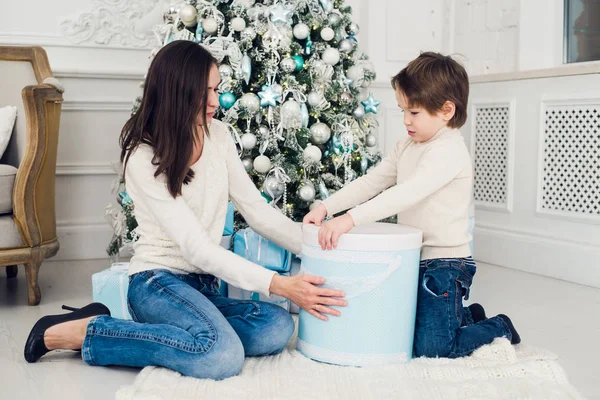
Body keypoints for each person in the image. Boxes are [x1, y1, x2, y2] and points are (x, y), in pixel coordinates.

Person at [24, 40, 347, 379]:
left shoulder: (219, 135)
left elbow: (256, 210)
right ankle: (87, 331)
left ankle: (185, 336)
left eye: (216, 89)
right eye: (203, 91)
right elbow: (196, 247)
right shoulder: (143, 156)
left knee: (277, 326)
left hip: (202, 285)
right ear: (176, 92)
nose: (214, 101)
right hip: (155, 282)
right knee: (220, 356)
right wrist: (280, 284)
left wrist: (316, 244)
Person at [303, 52, 520, 358]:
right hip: (410, 256)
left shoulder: (448, 151)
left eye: (414, 112)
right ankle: (465, 316)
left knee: (432, 347)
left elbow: (405, 193)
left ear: (446, 110)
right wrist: (327, 207)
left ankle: (499, 326)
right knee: (402, 331)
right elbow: (372, 181)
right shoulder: (407, 145)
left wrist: (349, 220)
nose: (406, 120)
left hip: (445, 263)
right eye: (403, 110)